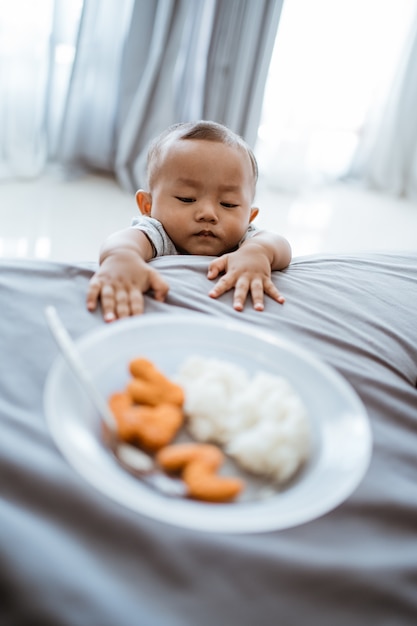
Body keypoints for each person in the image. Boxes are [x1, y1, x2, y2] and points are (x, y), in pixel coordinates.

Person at [86, 120, 292, 322]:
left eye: (228, 204)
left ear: (249, 216)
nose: (208, 214)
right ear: (147, 206)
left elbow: (279, 245)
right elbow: (125, 239)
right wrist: (121, 257)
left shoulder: (242, 241)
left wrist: (257, 252)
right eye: (187, 199)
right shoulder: (160, 234)